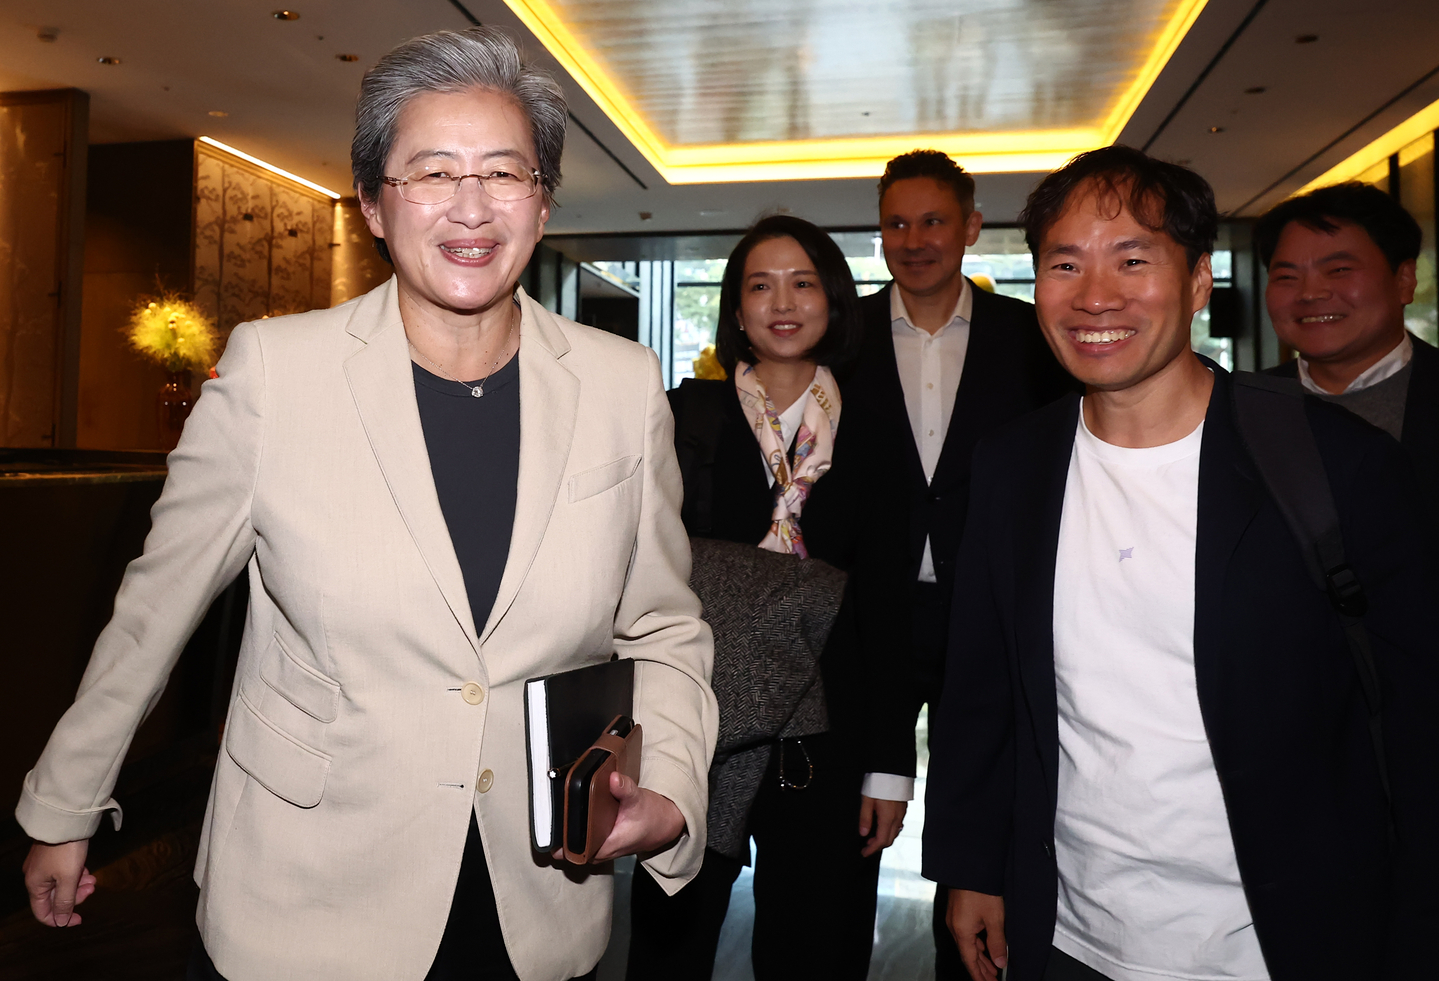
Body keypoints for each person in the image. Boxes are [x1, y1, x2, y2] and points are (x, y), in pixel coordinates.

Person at [17, 27, 717, 981]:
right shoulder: (276, 372)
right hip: (308, 892)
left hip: (537, 894)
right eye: (430, 172)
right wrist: (65, 805)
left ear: (542, 202)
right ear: (374, 206)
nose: (470, 207)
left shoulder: (622, 387)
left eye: (504, 173)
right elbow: (154, 611)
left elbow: (665, 629)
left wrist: (671, 788)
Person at [924, 145, 1439, 981]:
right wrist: (972, 862)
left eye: (1133, 259)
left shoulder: (1333, 463)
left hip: (1278, 934)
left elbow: (1417, 717)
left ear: (1198, 280)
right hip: (1069, 931)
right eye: (1065, 263)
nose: (1095, 295)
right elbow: (982, 686)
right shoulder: (1012, 466)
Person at [626, 215, 909, 980]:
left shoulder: (880, 434)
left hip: (828, 734)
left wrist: (888, 763)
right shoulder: (686, 420)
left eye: (802, 282)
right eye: (759, 284)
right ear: (736, 308)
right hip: (699, 718)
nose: (781, 302)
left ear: (833, 300)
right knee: (668, 941)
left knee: (814, 945)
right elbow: (647, 573)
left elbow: (889, 610)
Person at [846, 148, 1074, 974]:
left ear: (971, 228)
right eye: (895, 222)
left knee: (989, 815)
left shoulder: (1034, 337)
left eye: (932, 220)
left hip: (996, 611)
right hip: (870, 615)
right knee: (854, 829)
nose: (913, 239)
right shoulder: (845, 337)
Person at [1256, 181, 1439, 507]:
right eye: (1286, 277)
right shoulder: (1239, 408)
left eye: (1339, 269)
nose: (1310, 293)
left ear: (1404, 281)